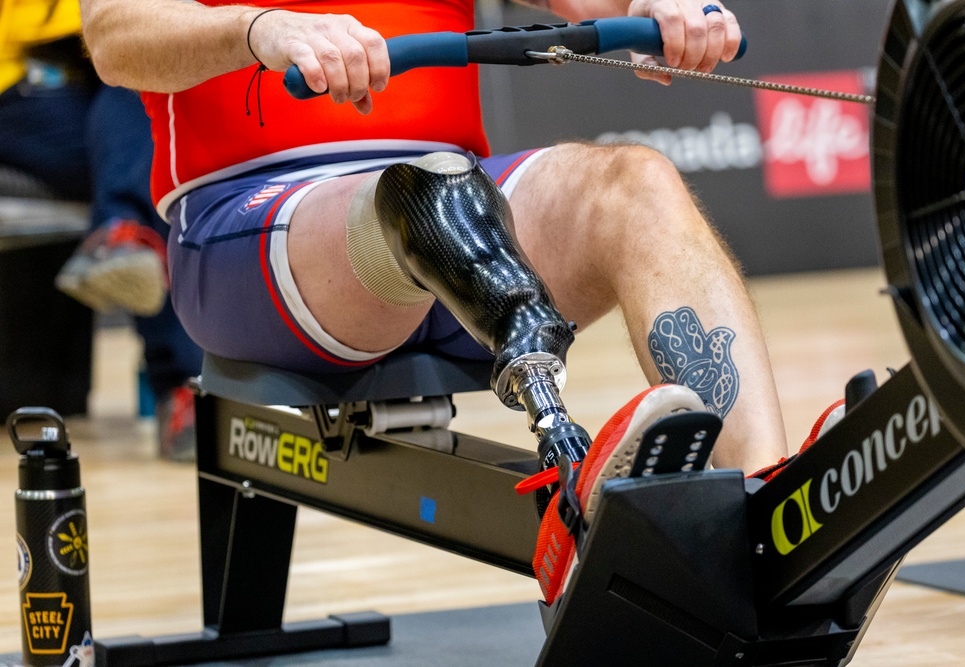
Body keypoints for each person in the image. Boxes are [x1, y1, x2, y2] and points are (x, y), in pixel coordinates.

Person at [78, 0, 791, 604]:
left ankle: (772, 515)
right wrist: (260, 29)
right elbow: (112, 32)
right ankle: (575, 481)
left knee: (639, 186)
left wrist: (647, 7)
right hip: (252, 212)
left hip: (462, 199)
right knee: (421, 197)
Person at [0, 0, 203, 461]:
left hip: (89, 71)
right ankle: (185, 391)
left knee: (142, 87)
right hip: (20, 75)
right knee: (155, 132)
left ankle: (121, 232)